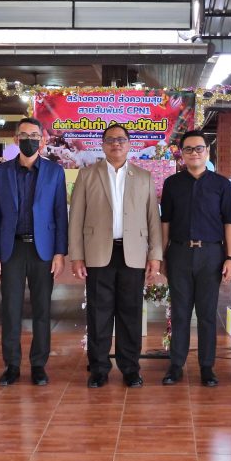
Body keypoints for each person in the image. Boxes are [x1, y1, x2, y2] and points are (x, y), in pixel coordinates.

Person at [69, 123, 163, 388]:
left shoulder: (143, 177)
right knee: (98, 313)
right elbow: (76, 218)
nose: (116, 144)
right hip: (98, 253)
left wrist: (155, 255)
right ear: (102, 145)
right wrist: (77, 256)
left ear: (129, 144)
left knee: (130, 314)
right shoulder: (87, 175)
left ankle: (130, 368)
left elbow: (153, 219)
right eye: (110, 140)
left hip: (134, 254)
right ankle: (99, 368)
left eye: (121, 140)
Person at [0, 117, 68, 386]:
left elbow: (60, 214)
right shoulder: (0, 173)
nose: (29, 140)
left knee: (42, 309)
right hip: (11, 249)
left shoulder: (54, 172)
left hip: (42, 251)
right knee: (10, 309)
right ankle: (11, 365)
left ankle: (38, 364)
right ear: (15, 139)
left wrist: (60, 253)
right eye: (24, 135)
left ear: (42, 140)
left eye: (34, 135)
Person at [159, 130, 231, 387]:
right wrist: (162, 256)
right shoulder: (172, 184)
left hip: (211, 255)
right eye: (189, 149)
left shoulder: (222, 185)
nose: (194, 153)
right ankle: (176, 365)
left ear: (207, 151)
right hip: (179, 253)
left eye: (199, 148)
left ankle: (207, 367)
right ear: (182, 154)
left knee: (206, 313)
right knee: (180, 313)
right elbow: (165, 222)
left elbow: (229, 223)